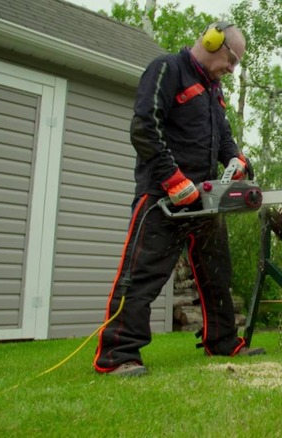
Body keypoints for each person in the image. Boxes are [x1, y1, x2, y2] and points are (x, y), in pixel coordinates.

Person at [93, 22, 265, 377]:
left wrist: (237, 160)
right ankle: (118, 354)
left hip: (204, 201)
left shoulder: (213, 90)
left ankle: (222, 342)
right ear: (213, 41)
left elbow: (225, 137)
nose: (232, 70)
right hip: (162, 197)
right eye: (232, 61)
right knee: (141, 277)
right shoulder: (167, 69)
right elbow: (144, 126)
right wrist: (172, 178)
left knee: (217, 273)